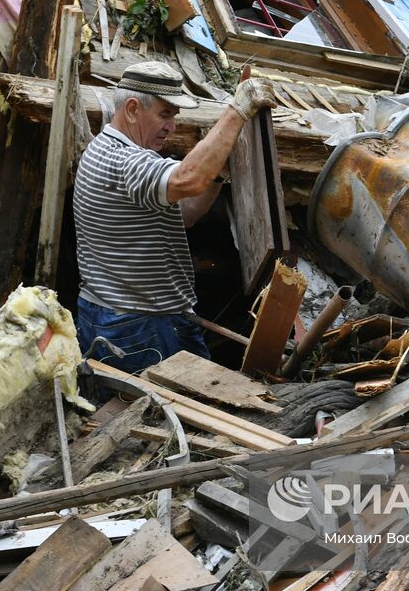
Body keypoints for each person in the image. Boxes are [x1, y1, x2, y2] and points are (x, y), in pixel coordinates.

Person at [72, 61, 274, 372]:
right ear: (132, 109)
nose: (172, 126)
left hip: (124, 317)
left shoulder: (105, 149)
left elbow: (185, 214)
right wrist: (237, 111)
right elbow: (186, 180)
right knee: (175, 413)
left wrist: (216, 174)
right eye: (165, 115)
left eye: (174, 116)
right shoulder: (125, 162)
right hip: (138, 325)